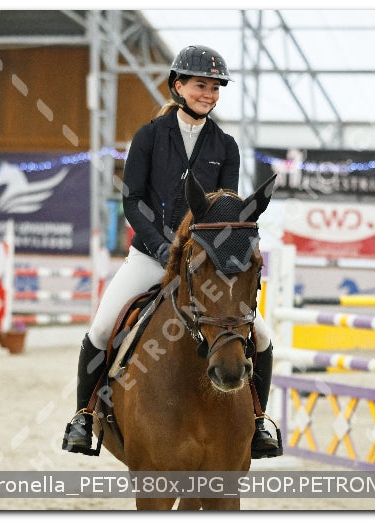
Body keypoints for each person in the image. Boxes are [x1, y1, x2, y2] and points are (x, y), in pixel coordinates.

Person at [63, 45, 280, 459]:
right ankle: (84, 416)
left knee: (263, 334)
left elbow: (224, 208)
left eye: (216, 88)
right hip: (150, 256)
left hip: (204, 262)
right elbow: (133, 201)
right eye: (201, 86)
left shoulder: (226, 145)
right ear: (179, 86)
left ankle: (258, 423)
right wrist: (165, 249)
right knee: (103, 328)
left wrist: (211, 254)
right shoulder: (148, 137)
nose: (209, 94)